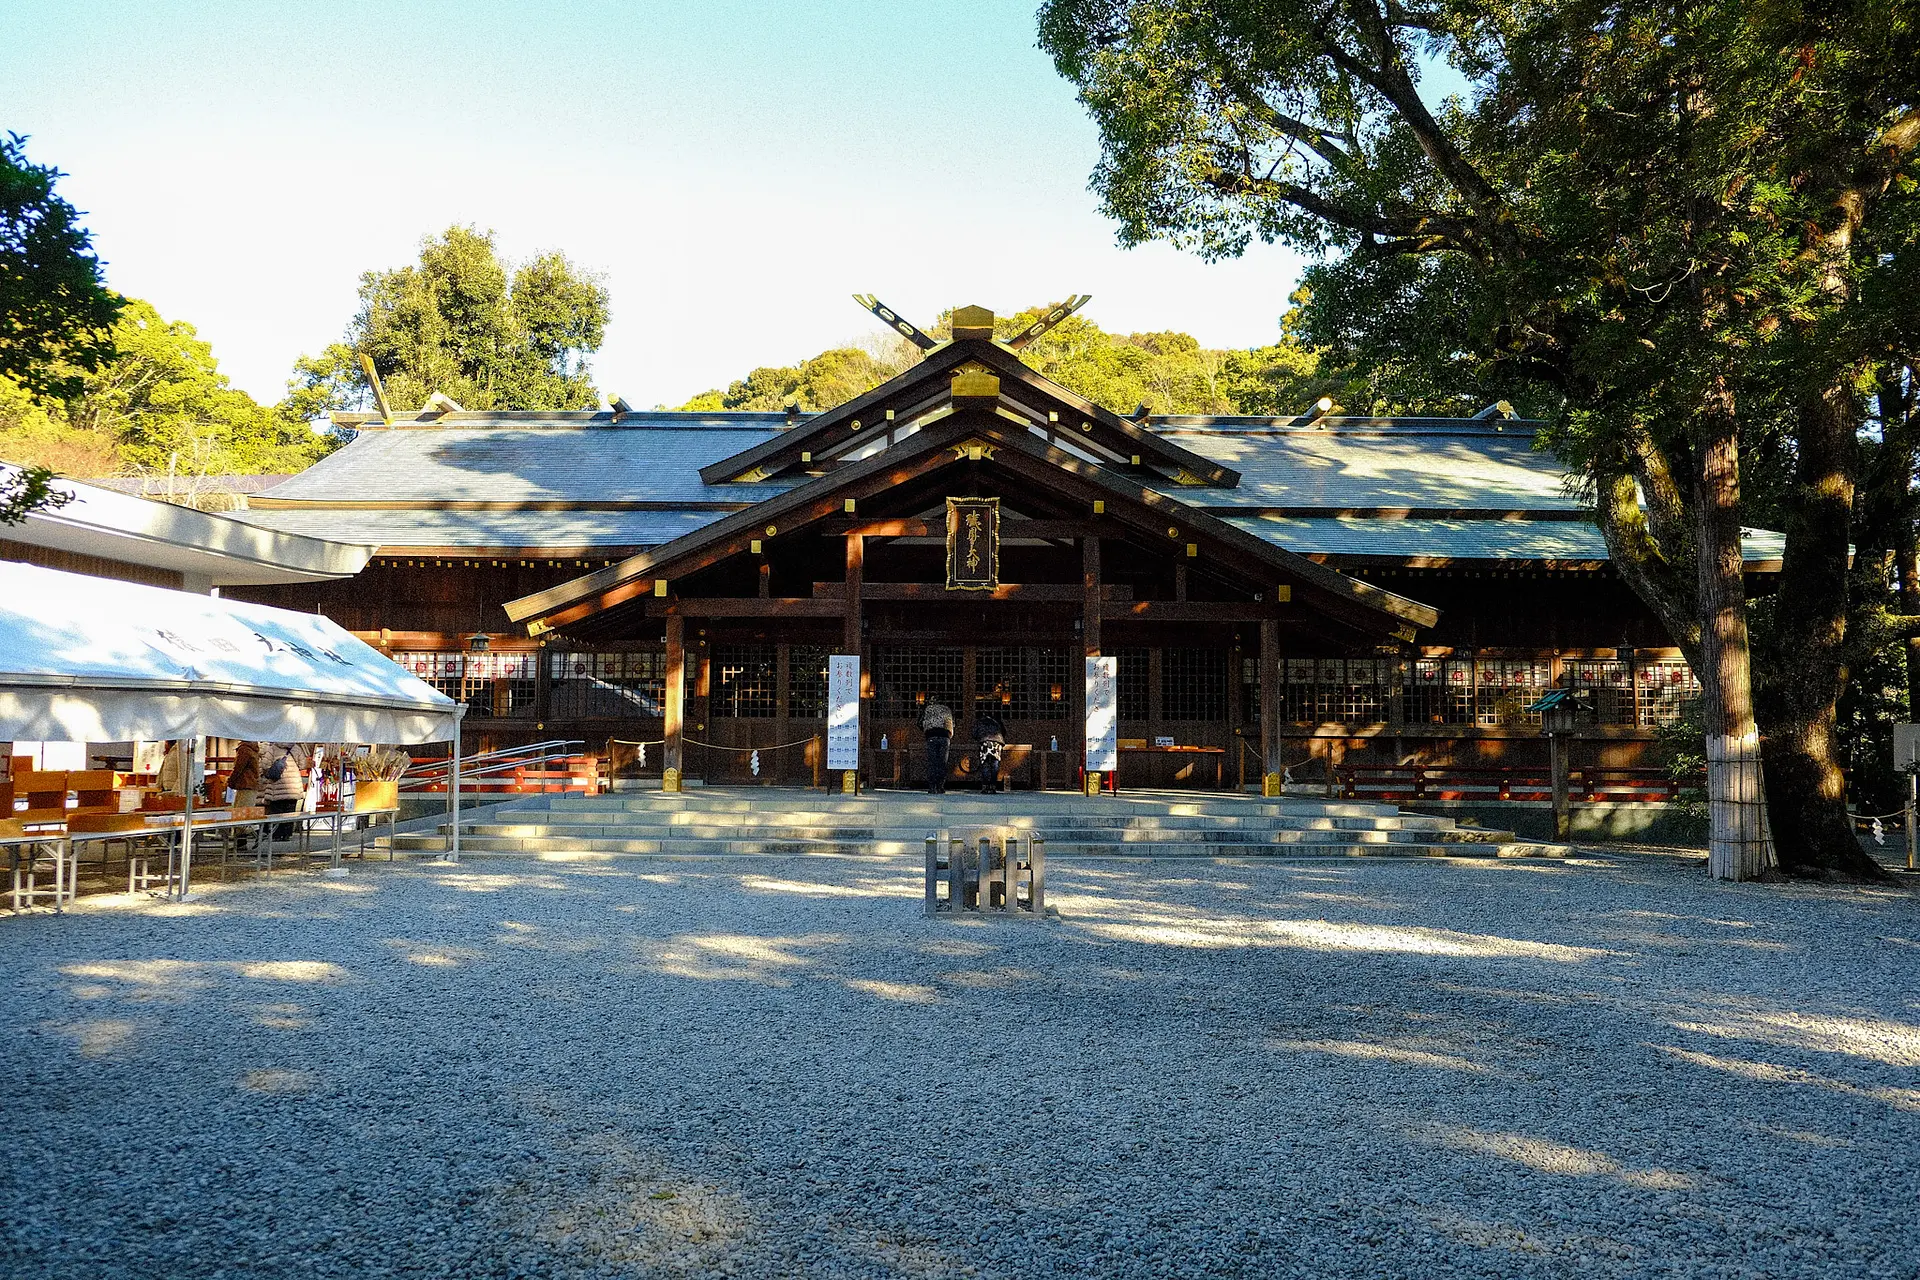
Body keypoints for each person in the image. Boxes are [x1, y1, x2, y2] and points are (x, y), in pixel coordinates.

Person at [260, 742, 308, 841]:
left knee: (276, 811)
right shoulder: (296, 748)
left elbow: (265, 764)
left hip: (277, 785)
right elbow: (302, 765)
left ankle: (276, 834)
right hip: (293, 785)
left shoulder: (273, 748)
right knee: (290, 811)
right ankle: (287, 834)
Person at [919, 701, 954, 795]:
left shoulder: (928, 709)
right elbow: (951, 724)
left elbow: (920, 722)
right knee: (942, 763)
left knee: (932, 762)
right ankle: (940, 787)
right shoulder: (947, 710)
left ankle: (932, 787)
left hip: (931, 735)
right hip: (944, 736)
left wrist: (927, 730)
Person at [973, 713, 1007, 794]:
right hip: (997, 743)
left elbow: (974, 733)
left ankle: (985, 786)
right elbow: (1004, 731)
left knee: (985, 763)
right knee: (994, 765)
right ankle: (993, 786)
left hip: (985, 742)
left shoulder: (980, 722)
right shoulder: (997, 721)